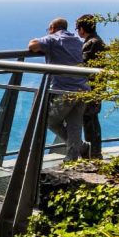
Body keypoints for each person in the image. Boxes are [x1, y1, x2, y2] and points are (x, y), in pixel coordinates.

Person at [28, 17, 89, 162]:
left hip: (65, 91)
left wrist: (43, 38)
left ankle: (80, 147)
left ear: (52, 28)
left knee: (49, 121)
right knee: (74, 125)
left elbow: (32, 46)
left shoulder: (53, 39)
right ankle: (72, 158)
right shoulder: (77, 41)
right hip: (83, 88)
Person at [76, 14, 106, 160]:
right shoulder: (98, 41)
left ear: (82, 29)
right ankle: (94, 153)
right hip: (97, 86)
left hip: (91, 88)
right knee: (91, 119)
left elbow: (82, 64)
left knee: (89, 120)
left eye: (78, 29)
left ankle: (93, 154)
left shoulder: (92, 43)